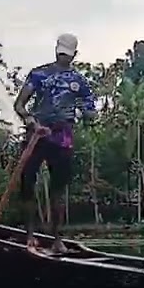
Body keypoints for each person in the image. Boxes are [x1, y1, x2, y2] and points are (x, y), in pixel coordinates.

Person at [13, 33, 97, 255]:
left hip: (62, 137)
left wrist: (89, 115)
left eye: (67, 55)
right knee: (28, 184)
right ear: (55, 51)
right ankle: (30, 236)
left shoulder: (79, 81)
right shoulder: (39, 74)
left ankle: (57, 238)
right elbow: (20, 104)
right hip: (37, 134)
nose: (63, 58)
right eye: (60, 54)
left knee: (58, 189)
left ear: (74, 55)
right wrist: (30, 121)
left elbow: (89, 108)